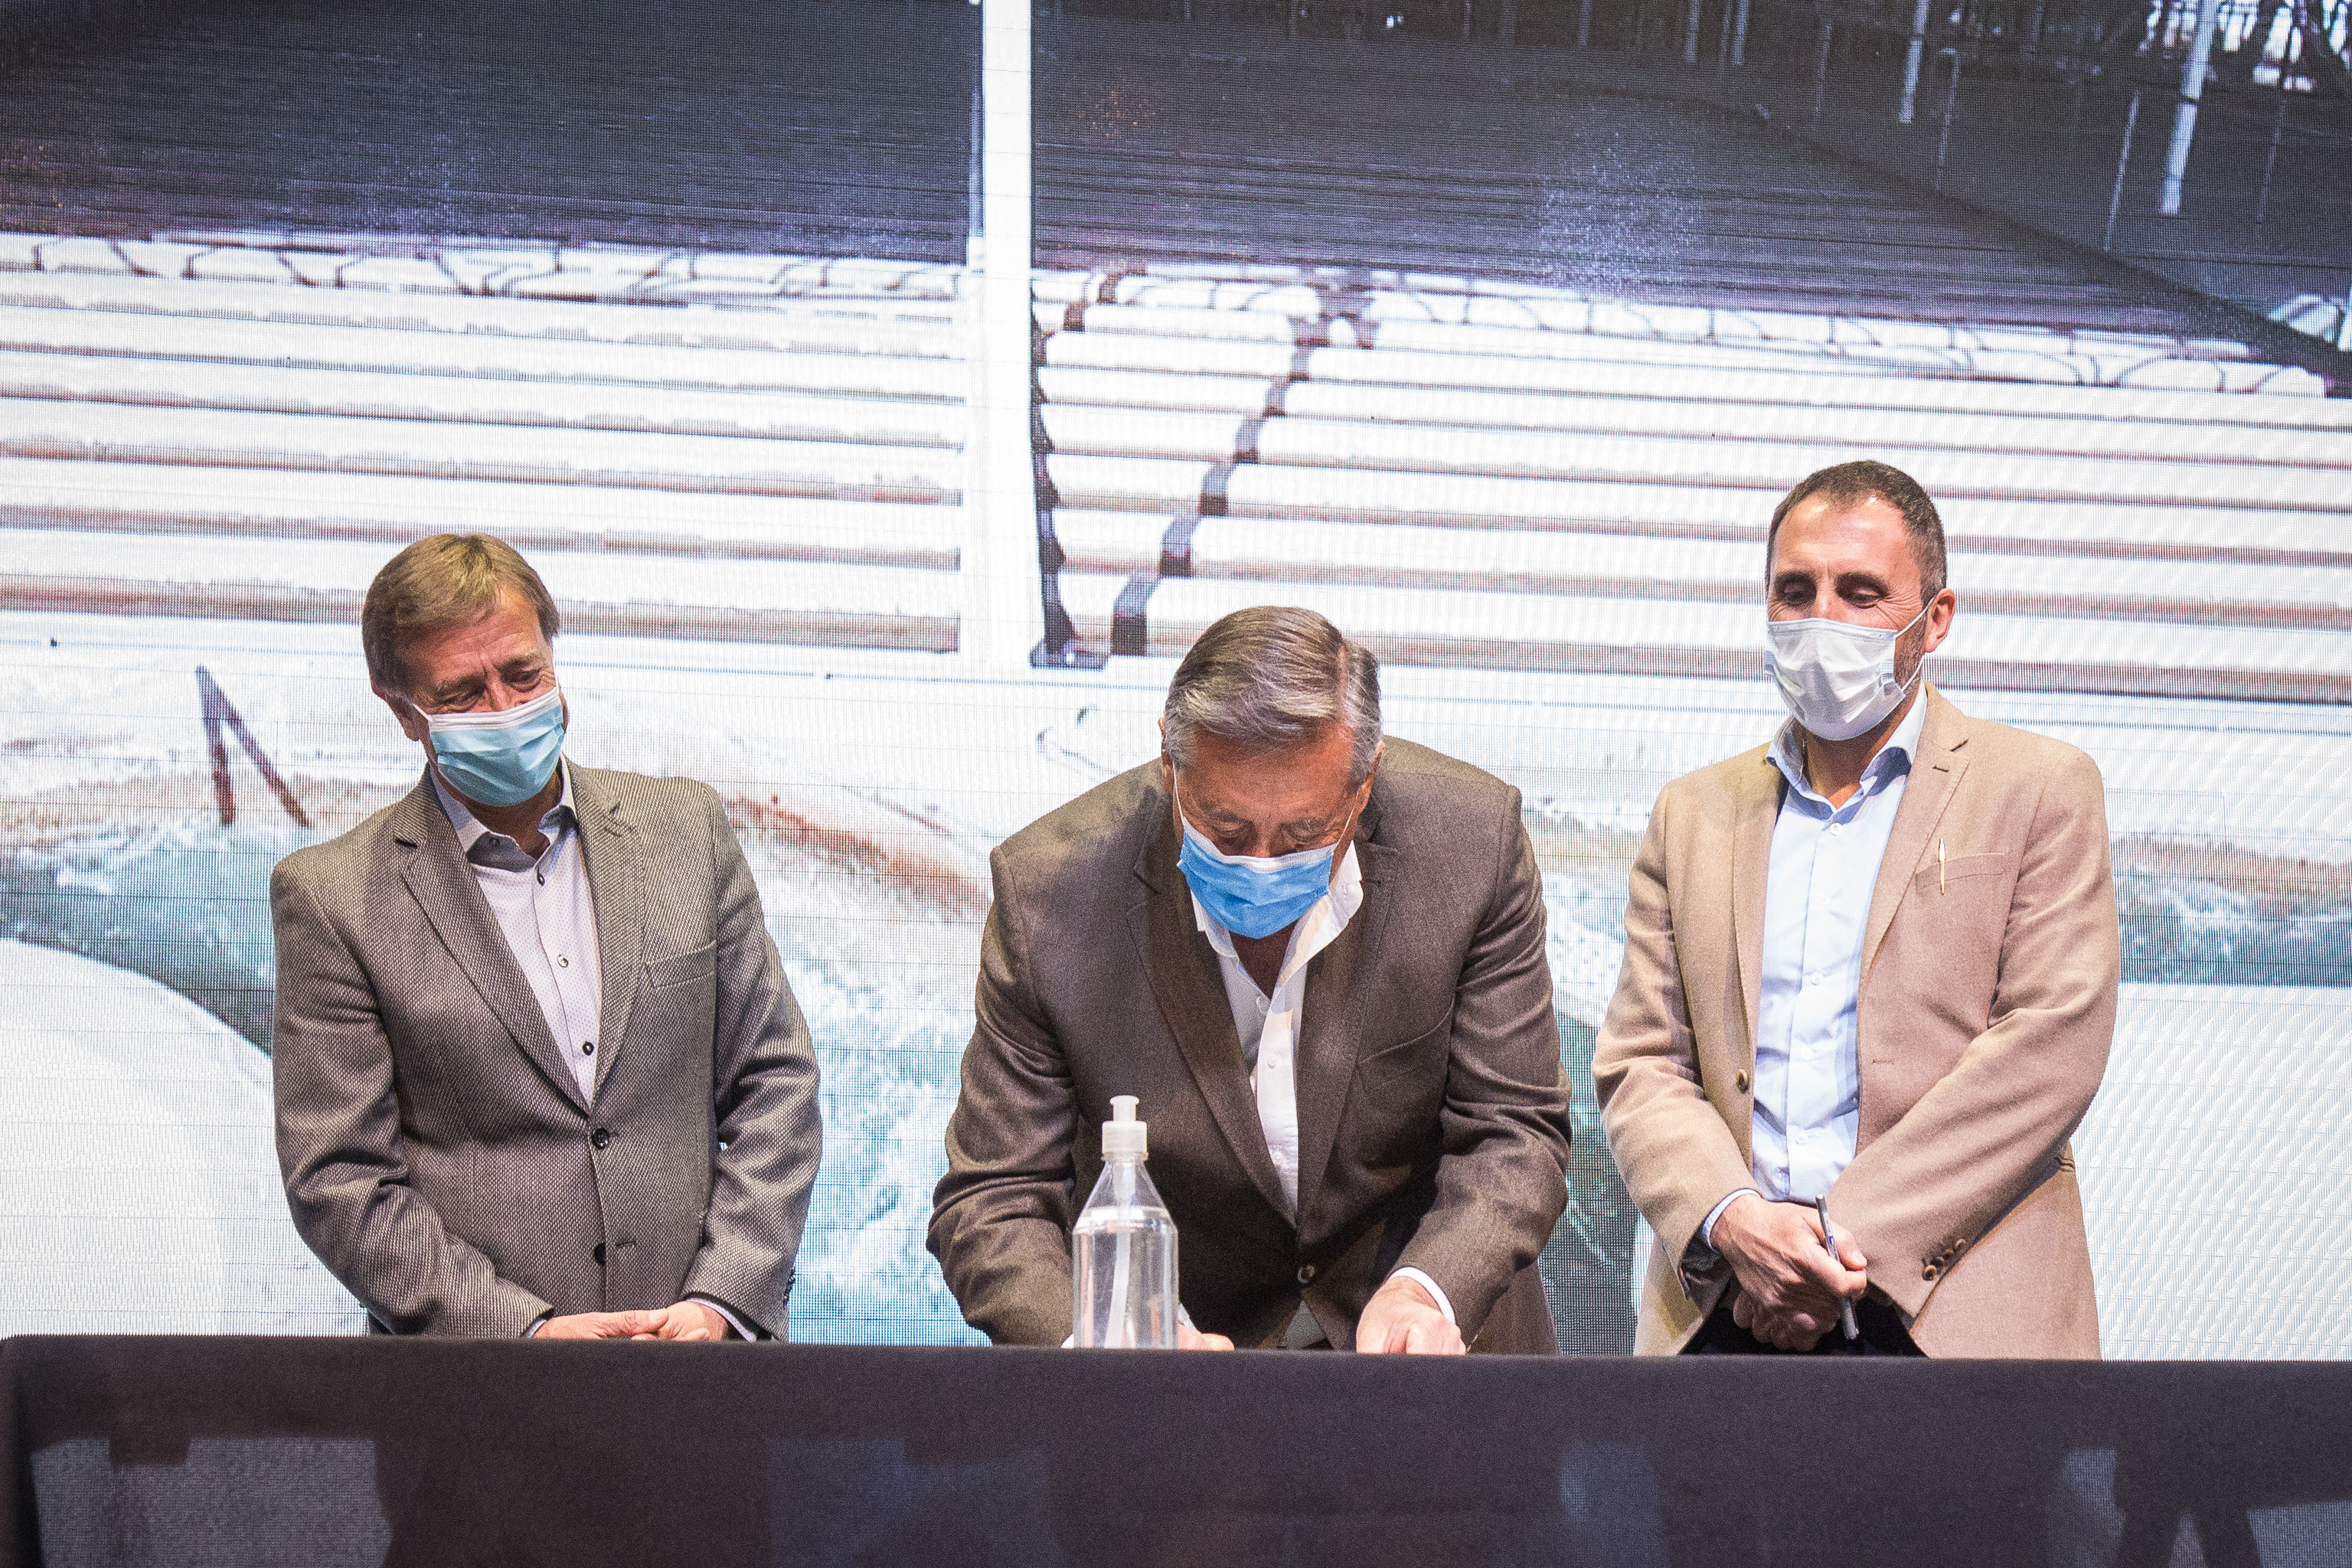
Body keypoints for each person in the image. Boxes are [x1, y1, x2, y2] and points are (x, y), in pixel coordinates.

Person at [929, 606, 1573, 1354]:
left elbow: (1514, 1128)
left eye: (1304, 834)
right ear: (1170, 766)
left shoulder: (1472, 845)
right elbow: (994, 1198)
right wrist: (1108, 1339)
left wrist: (1427, 1289)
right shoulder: (1051, 894)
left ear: (1365, 784)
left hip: (1432, 1353)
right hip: (1176, 1372)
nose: (1262, 864)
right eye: (1226, 830)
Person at [1593, 460, 2117, 1358]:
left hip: (1953, 1317)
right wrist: (1735, 1219)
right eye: (1795, 591)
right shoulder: (1692, 811)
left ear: (1935, 618)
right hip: (1727, 1304)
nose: (1822, 618)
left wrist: (1826, 1245)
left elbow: (2049, 1046)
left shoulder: (2039, 786)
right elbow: (1643, 1059)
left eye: (1861, 592)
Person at [272, 534, 821, 1340]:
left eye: (524, 674)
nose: (505, 709)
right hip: (480, 1387)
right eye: (463, 693)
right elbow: (342, 1179)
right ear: (402, 710)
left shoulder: (687, 830)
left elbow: (775, 1080)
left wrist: (724, 1299)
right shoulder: (332, 898)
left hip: (706, 1366)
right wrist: (522, 1336)